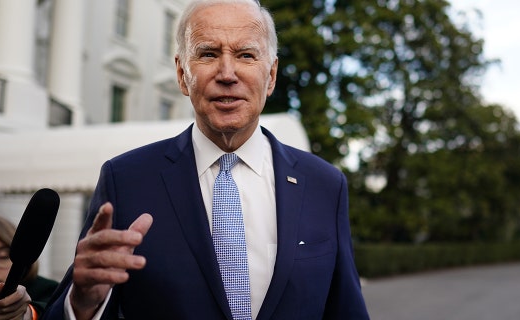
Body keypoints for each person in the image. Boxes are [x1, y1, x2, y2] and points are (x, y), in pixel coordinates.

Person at [43, 0, 369, 319]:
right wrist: (83, 305)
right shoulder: (126, 180)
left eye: (245, 55)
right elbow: (70, 306)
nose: (227, 73)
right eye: (208, 54)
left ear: (270, 76)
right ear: (183, 74)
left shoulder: (325, 184)